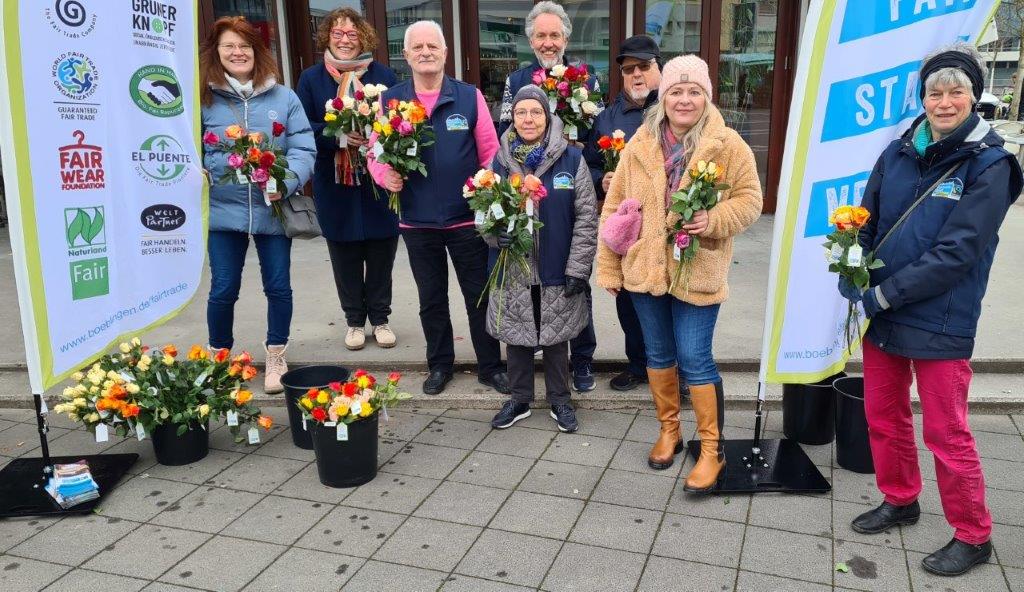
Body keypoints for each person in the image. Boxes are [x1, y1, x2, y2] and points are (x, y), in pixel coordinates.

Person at [842, 43, 1021, 577]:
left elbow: (956, 252)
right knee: (883, 415)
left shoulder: (990, 165)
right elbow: (867, 218)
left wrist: (884, 293)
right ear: (922, 98)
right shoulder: (898, 151)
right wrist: (853, 263)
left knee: (946, 432)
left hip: (942, 317)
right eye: (934, 92)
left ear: (974, 96)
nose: (944, 102)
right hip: (885, 309)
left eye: (955, 92)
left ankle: (973, 534)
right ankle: (900, 498)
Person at [596, 56, 762, 486]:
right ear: (663, 96)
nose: (684, 100)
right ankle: (669, 431)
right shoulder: (639, 144)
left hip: (698, 270)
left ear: (706, 96)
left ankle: (712, 449)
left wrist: (714, 218)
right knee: (658, 355)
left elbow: (750, 201)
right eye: (675, 91)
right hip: (645, 268)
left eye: (694, 92)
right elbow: (614, 209)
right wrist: (610, 268)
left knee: (695, 358)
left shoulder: (727, 144)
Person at [369, 21, 509, 396]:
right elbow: (375, 153)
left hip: (467, 220)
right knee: (431, 300)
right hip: (418, 222)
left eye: (433, 46)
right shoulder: (390, 101)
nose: (426, 52)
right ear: (406, 55)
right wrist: (386, 176)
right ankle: (440, 365)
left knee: (479, 296)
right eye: (418, 47)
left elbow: (491, 153)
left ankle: (490, 366)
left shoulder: (468, 97)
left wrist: (484, 189)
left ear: (445, 53)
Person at [200, 16, 315, 394]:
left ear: (257, 51)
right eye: (229, 46)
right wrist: (200, 171)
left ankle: (276, 355)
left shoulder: (283, 98)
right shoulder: (203, 98)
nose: (238, 52)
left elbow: (303, 147)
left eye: (245, 45)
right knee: (223, 288)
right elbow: (188, 150)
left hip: (272, 209)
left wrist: (286, 180)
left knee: (278, 286)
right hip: (222, 211)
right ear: (216, 52)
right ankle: (220, 359)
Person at [498, 0, 602, 393]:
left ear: (565, 39)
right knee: (531, 279)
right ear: (531, 40)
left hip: (570, 180)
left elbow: (595, 132)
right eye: (540, 35)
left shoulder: (587, 79)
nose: (547, 42)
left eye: (554, 35)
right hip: (526, 183)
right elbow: (507, 130)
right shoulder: (515, 80)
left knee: (575, 278)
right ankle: (530, 370)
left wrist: (573, 155)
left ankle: (583, 359)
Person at [485, 85, 597, 433]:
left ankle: (560, 400)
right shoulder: (500, 161)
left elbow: (587, 218)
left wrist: (578, 267)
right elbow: (483, 212)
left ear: (547, 118)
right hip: (513, 266)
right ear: (513, 118)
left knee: (556, 337)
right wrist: (495, 235)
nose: (528, 119)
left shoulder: (571, 160)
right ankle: (519, 399)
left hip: (556, 265)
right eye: (521, 112)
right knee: (516, 335)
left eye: (535, 112)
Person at [296, 7, 400, 352]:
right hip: (335, 181)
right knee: (344, 255)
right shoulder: (311, 79)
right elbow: (303, 127)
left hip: (376, 181)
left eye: (352, 34)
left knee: (381, 251)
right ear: (327, 36)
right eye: (337, 33)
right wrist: (338, 136)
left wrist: (374, 133)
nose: (344, 40)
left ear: (363, 37)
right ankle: (355, 321)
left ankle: (381, 319)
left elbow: (398, 122)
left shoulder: (383, 75)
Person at [582, 34, 663, 392]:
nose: (636, 75)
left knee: (668, 299)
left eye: (644, 66)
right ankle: (638, 365)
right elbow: (587, 164)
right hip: (627, 225)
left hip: (666, 223)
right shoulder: (606, 119)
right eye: (629, 70)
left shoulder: (676, 108)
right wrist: (601, 181)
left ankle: (673, 370)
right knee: (629, 299)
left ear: (659, 68)